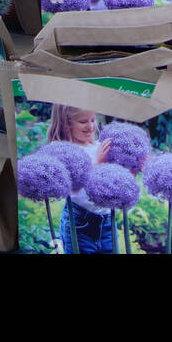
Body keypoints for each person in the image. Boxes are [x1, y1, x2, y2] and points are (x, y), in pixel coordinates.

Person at [48, 105, 115, 253]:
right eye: (83, 121)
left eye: (93, 119)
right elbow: (70, 187)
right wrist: (96, 162)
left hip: (107, 222)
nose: (91, 126)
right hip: (78, 224)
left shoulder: (97, 146)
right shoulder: (62, 150)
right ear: (66, 123)